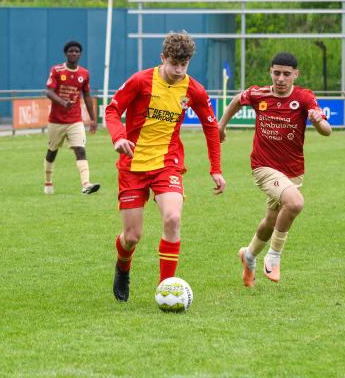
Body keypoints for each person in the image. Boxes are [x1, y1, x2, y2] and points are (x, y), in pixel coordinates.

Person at [106, 31, 226, 302]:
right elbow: (112, 110)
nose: (178, 70)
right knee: (132, 236)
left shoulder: (193, 89)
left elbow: (211, 127)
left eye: (184, 65)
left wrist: (215, 168)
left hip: (167, 164)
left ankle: (166, 289)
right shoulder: (141, 81)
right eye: (174, 64)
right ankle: (123, 266)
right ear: (163, 58)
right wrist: (118, 137)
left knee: (172, 218)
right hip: (133, 165)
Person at [218, 52, 331, 286]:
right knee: (296, 203)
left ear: (295, 75)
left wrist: (318, 121)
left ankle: (248, 256)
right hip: (263, 167)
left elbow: (326, 130)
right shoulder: (259, 94)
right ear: (270, 71)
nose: (281, 78)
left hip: (292, 171)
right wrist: (221, 125)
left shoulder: (304, 97)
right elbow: (238, 100)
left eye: (286, 74)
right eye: (276, 73)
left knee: (271, 220)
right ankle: (274, 256)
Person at [43, 41, 99, 195]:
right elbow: (48, 91)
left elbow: (87, 96)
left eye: (76, 51)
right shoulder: (56, 70)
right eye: (71, 51)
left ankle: (86, 184)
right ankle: (48, 182)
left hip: (75, 120)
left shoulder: (84, 74)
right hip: (56, 120)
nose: (74, 54)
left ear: (80, 54)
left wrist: (93, 119)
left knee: (80, 150)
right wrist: (62, 102)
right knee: (52, 151)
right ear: (66, 53)